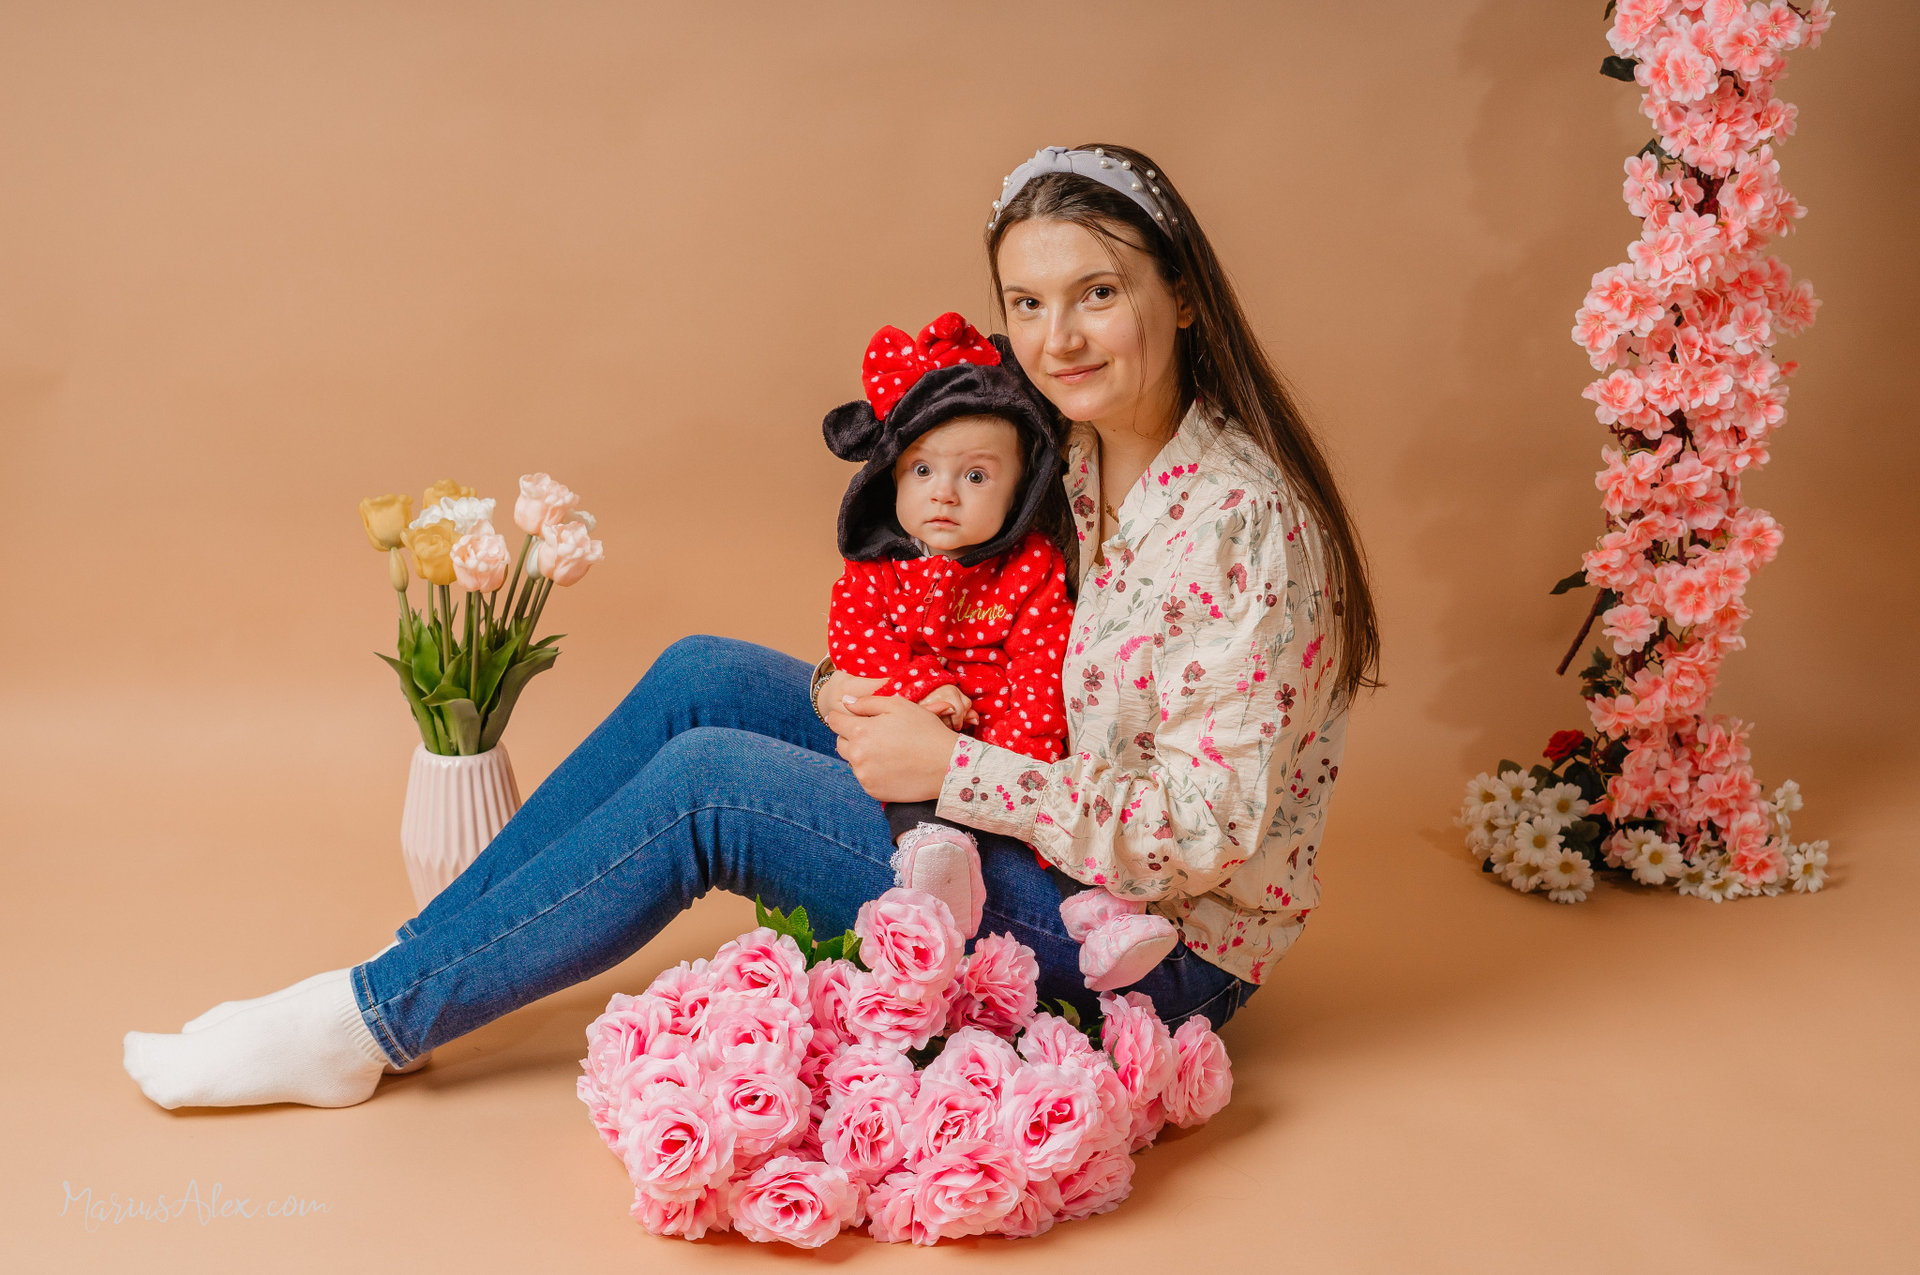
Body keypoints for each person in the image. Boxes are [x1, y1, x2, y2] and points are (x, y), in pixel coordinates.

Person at [121, 142, 1380, 1111]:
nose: (1059, 339)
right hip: (1020, 801)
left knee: (710, 786)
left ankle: (364, 1023)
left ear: (1183, 294)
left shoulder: (1244, 524)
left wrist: (954, 770)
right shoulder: (1077, 451)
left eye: (1098, 293)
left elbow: (1205, 836)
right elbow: (966, 619)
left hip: (1148, 946)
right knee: (702, 676)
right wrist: (851, 695)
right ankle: (413, 967)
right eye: (1030, 302)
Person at [820, 308, 1184, 990]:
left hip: (1018, 743)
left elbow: (1041, 668)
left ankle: (1106, 917)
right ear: (891, 477)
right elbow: (858, 647)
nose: (944, 494)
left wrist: (1010, 754)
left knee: (1063, 804)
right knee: (907, 787)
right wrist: (924, 692)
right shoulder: (877, 568)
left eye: (976, 477)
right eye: (922, 469)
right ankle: (936, 860)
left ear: (1019, 491)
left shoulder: (1031, 568)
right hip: (919, 727)